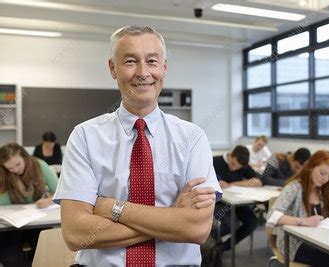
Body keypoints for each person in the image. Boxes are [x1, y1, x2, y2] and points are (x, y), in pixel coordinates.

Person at [53, 26, 222, 266]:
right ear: (112, 68)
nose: (143, 72)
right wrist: (171, 217)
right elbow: (76, 233)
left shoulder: (193, 138)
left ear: (164, 67)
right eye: (131, 61)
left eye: (152, 61)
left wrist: (112, 207)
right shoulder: (84, 137)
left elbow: (196, 229)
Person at [266, 150, 329, 267]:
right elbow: (272, 216)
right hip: (293, 243)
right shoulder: (294, 187)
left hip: (317, 239)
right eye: (322, 173)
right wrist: (303, 221)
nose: (325, 179)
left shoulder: (323, 190)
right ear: (310, 167)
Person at [0, 143, 59, 266]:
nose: (15, 170)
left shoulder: (39, 165)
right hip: (11, 224)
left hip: (37, 220)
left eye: (18, 164)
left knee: (44, 253)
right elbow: (3, 203)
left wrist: (48, 200)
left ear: (25, 157)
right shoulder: (3, 173)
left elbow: (59, 191)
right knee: (10, 258)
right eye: (10, 168)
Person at [213, 145, 261, 252]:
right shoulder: (215, 161)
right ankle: (209, 244)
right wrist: (215, 183)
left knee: (252, 221)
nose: (233, 168)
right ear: (230, 155)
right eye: (233, 164)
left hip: (236, 201)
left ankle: (222, 248)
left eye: (237, 168)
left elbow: (257, 181)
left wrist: (231, 184)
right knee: (229, 225)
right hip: (219, 202)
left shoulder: (243, 165)